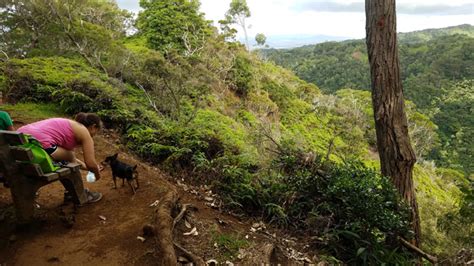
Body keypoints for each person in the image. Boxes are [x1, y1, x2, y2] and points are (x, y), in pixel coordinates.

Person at [17, 113, 103, 203]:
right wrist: (97, 174)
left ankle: (71, 192)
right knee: (69, 157)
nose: (95, 135)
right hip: (39, 144)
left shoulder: (68, 127)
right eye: (97, 131)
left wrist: (87, 168)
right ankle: (79, 194)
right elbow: (90, 163)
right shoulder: (84, 131)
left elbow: (69, 158)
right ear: (93, 127)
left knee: (67, 158)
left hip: (22, 140)